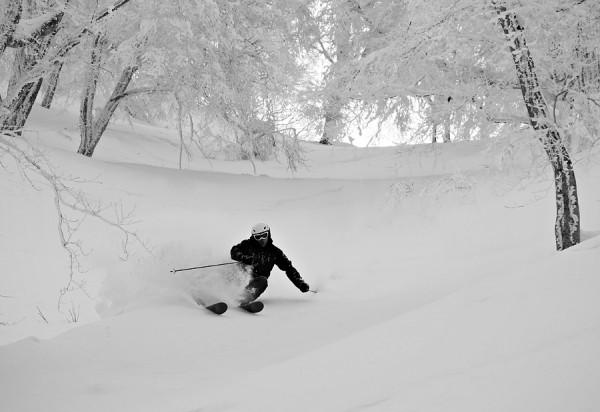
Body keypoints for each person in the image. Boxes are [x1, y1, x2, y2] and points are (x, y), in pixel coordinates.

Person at [230, 223, 310, 304]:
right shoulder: (247, 245)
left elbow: (288, 268)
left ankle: (243, 298)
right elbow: (234, 251)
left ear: (269, 234)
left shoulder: (274, 252)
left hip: (256, 282)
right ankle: (221, 293)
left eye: (264, 235)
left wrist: (300, 283)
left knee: (263, 281)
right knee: (230, 272)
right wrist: (243, 258)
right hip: (239, 276)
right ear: (253, 237)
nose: (261, 239)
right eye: (257, 237)